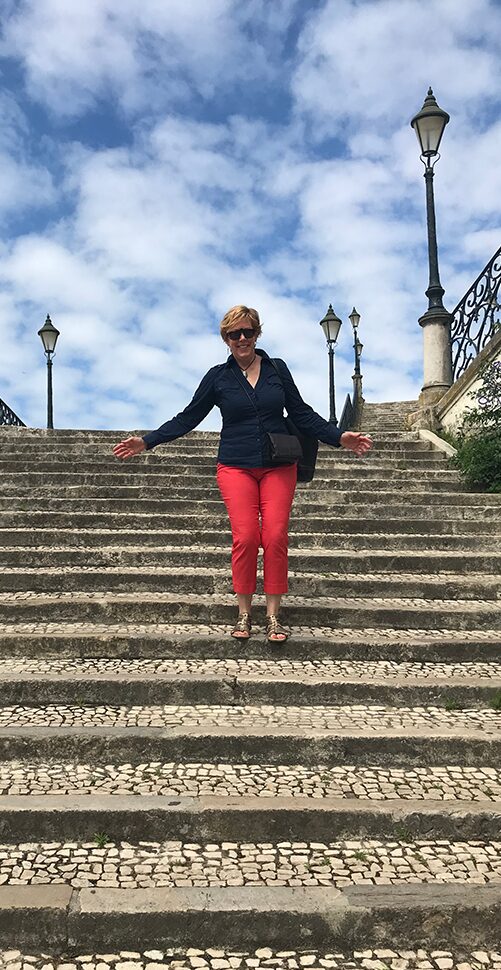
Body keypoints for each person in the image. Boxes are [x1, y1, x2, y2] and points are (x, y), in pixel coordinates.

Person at [113, 305, 372, 642]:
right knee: (247, 537)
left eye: (248, 331)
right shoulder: (218, 378)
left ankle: (274, 616)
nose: (242, 338)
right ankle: (244, 613)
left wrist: (339, 437)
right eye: (234, 334)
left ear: (257, 334)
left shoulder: (277, 369)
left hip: (279, 465)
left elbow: (301, 413)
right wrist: (147, 441)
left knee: (275, 537)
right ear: (226, 338)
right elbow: (187, 417)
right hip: (235, 465)